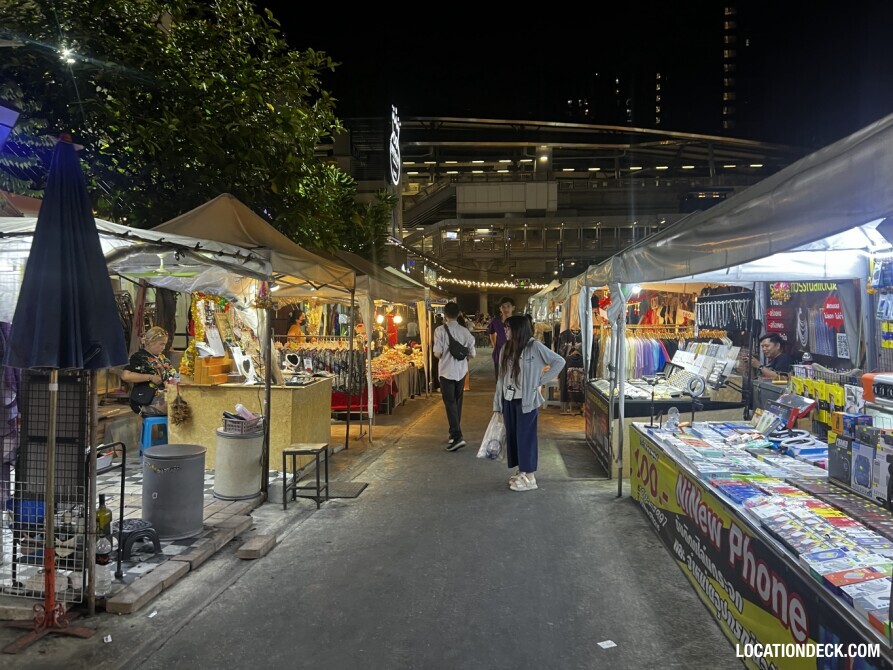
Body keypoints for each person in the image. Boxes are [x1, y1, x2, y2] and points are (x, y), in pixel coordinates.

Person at [493, 315, 565, 491]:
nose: (505, 331)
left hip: (527, 401)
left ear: (518, 329)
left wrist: (539, 381)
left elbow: (559, 361)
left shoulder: (534, 347)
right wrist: (497, 404)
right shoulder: (506, 348)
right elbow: (501, 379)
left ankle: (530, 477)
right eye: (505, 327)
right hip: (508, 400)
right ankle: (522, 471)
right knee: (514, 437)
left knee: (526, 438)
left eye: (509, 328)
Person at [433, 302, 476, 451]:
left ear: (445, 314)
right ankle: (454, 433)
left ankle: (457, 436)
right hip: (461, 371)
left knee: (450, 402)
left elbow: (437, 353)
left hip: (446, 371)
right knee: (457, 402)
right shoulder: (465, 332)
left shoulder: (439, 331)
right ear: (458, 314)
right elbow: (472, 353)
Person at [122, 326, 174, 415]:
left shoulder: (164, 359)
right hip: (145, 400)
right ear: (151, 342)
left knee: (186, 404)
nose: (164, 347)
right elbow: (125, 376)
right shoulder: (139, 357)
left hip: (163, 396)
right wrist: (150, 377)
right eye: (161, 344)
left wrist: (175, 380)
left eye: (164, 344)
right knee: (179, 409)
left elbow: (174, 375)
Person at [487, 297, 515, 380]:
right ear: (500, 308)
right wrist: (495, 344)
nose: (506, 309)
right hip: (499, 352)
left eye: (508, 306)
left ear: (513, 307)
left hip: (513, 352)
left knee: (512, 378)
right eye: (503, 307)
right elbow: (491, 333)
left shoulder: (517, 322)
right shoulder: (495, 321)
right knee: (499, 378)